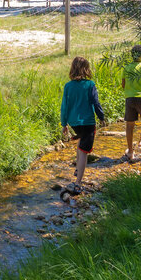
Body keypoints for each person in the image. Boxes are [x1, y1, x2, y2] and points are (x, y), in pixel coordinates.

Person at [60, 56, 107, 188]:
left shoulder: (68, 86)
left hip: (74, 122)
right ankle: (78, 183)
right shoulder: (90, 85)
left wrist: (64, 124)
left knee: (81, 143)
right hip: (87, 122)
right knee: (84, 151)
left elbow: (65, 106)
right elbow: (95, 102)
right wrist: (101, 117)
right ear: (86, 69)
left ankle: (77, 169)